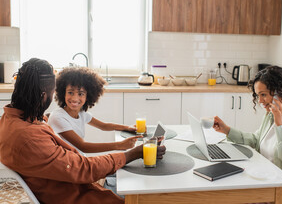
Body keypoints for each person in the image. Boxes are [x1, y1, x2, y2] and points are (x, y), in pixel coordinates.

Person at [0, 58, 166, 204]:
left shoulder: (11, 120)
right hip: (77, 196)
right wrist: (133, 153)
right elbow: (83, 169)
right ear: (44, 95)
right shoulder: (29, 138)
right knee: (151, 194)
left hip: (72, 184)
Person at [213, 65, 282, 204]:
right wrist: (227, 130)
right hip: (269, 184)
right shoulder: (271, 114)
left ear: (280, 93)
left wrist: (281, 125)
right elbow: (256, 141)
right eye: (258, 95)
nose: (260, 101)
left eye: (263, 94)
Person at [48, 67, 139, 155]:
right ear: (63, 93)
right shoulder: (58, 117)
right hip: (68, 164)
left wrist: (127, 127)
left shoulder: (81, 114)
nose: (75, 98)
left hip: (79, 158)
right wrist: (119, 145)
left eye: (80, 94)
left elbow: (104, 126)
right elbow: (83, 146)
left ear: (87, 96)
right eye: (70, 92)